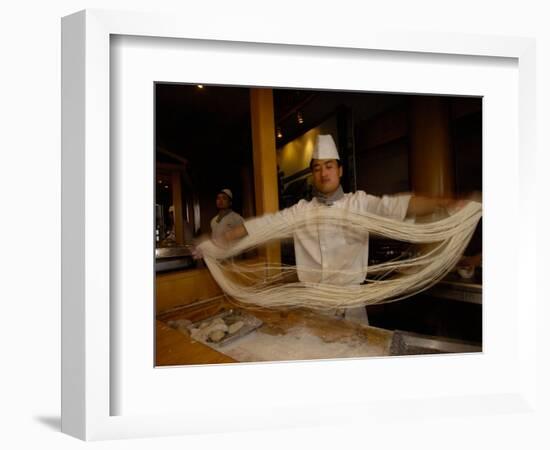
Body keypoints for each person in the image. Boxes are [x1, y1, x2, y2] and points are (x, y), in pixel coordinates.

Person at [200, 135, 466, 324]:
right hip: (313, 305)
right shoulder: (301, 211)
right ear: (312, 175)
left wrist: (444, 202)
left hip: (351, 305)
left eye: (329, 166)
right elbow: (263, 225)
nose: (323, 173)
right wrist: (219, 242)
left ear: (339, 170)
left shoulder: (360, 203)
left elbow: (398, 206)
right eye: (317, 168)